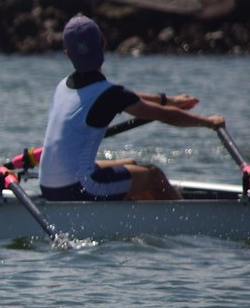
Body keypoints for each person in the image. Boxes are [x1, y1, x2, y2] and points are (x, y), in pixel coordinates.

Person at [39, 14, 224, 201]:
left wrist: (169, 100)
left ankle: (141, 214)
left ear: (67, 53)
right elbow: (163, 116)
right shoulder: (109, 94)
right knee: (153, 175)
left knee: (131, 164)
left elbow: (124, 96)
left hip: (48, 187)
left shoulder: (63, 86)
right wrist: (209, 122)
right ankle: (188, 221)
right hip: (79, 188)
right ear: (103, 44)